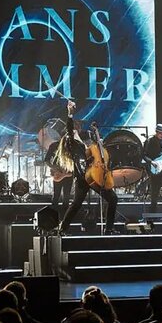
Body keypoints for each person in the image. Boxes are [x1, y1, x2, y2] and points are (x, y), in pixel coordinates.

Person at [55, 100, 118, 235]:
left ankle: (63, 228)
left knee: (77, 204)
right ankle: (108, 229)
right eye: (73, 131)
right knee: (111, 199)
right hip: (85, 177)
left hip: (90, 176)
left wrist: (97, 137)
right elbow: (70, 128)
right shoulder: (73, 144)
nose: (76, 130)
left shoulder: (82, 145)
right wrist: (70, 114)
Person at [44, 139, 73, 214]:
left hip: (68, 173)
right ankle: (53, 215)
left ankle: (64, 216)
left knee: (66, 196)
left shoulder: (71, 145)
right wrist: (54, 168)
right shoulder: (54, 146)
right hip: (58, 173)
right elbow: (47, 160)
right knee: (56, 194)